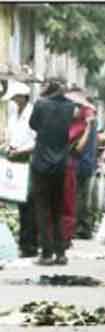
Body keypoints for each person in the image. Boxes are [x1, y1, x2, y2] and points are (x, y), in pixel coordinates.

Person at [28, 77, 78, 266]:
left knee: (42, 208)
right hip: (61, 164)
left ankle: (46, 253)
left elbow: (33, 125)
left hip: (41, 163)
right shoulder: (70, 106)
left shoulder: (41, 104)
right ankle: (61, 252)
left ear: (49, 87)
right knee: (58, 208)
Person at [2, 80, 37, 257]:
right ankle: (24, 243)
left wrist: (21, 150)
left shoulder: (33, 114)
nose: (14, 102)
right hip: (15, 162)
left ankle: (30, 244)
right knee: (20, 204)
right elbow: (11, 136)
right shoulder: (13, 114)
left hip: (28, 161)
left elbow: (36, 141)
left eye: (16, 99)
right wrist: (9, 147)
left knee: (29, 204)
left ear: (23, 98)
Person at [62, 87, 96, 243]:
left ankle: (80, 227)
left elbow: (77, 145)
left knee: (78, 196)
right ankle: (84, 226)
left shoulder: (84, 119)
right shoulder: (88, 118)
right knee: (81, 195)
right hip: (84, 160)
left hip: (79, 161)